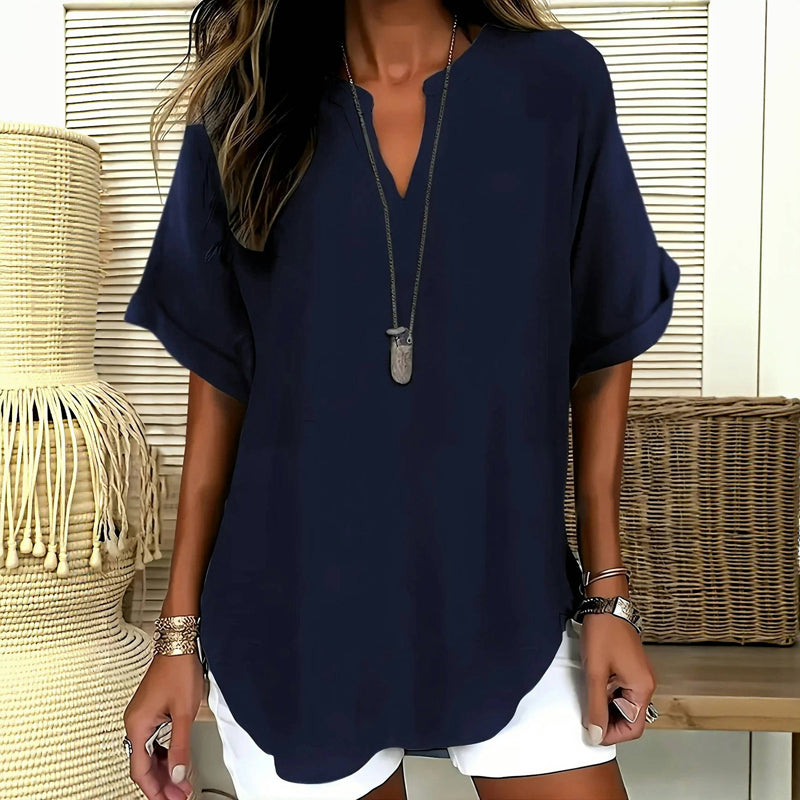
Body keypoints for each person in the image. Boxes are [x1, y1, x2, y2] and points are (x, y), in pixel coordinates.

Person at [121, 0, 679, 798]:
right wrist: (177, 637)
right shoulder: (246, 105)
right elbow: (219, 387)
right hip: (296, 617)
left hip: (505, 594)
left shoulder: (558, 85)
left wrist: (606, 592)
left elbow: (604, 337)